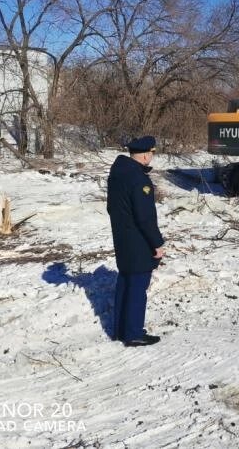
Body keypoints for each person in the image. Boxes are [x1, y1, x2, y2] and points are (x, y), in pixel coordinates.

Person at [106, 135, 165, 347]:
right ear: (146, 155)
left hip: (121, 235)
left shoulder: (118, 173)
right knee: (138, 286)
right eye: (151, 153)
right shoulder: (138, 179)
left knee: (125, 281)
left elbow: (111, 208)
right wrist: (157, 243)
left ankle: (120, 330)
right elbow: (145, 216)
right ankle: (133, 333)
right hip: (138, 239)